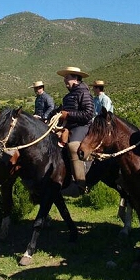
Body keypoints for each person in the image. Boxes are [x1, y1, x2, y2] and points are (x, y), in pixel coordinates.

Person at [56, 66, 95, 197]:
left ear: (76, 79)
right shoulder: (67, 96)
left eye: (67, 77)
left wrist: (68, 115)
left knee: (73, 146)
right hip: (69, 126)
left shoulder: (84, 93)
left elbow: (88, 114)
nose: (65, 80)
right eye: (64, 78)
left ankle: (80, 185)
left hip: (82, 126)